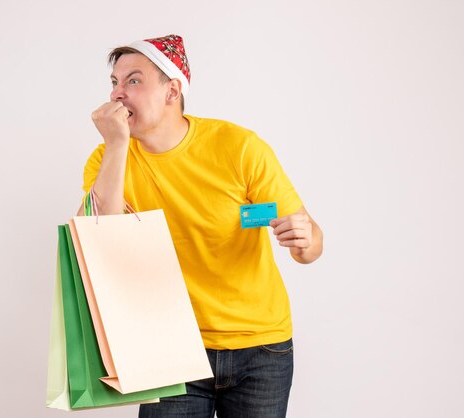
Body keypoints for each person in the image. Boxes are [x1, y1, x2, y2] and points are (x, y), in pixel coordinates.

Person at [76, 34, 323, 418]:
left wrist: (305, 241)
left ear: (172, 90)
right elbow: (102, 241)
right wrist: (117, 146)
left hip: (261, 347)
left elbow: (310, 243)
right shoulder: (107, 158)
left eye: (133, 81)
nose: (117, 95)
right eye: (114, 82)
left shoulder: (239, 147)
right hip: (171, 348)